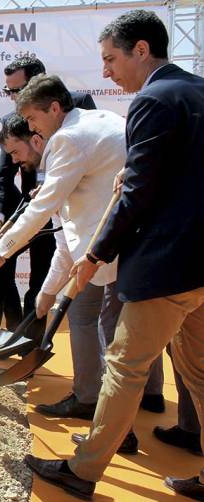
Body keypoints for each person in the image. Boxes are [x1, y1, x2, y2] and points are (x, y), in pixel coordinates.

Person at [24, 10, 204, 500]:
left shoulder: (152, 99)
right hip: (200, 266)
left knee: (124, 366)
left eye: (111, 59)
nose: (106, 72)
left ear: (141, 50)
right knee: (198, 371)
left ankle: (82, 471)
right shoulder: (199, 90)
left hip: (166, 265)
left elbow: (139, 192)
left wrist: (96, 254)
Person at [0, 74, 133, 423]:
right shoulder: (100, 119)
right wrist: (48, 292)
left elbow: (48, 212)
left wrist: (2, 250)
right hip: (126, 240)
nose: (33, 128)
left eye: (33, 119)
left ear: (54, 108)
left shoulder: (67, 140)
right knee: (120, 330)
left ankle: (100, 408)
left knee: (94, 323)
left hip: (109, 247)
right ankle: (146, 398)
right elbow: (66, 231)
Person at [0, 114, 164, 417]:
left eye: (15, 153)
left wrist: (7, 255)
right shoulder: (85, 141)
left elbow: (64, 246)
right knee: (134, 326)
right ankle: (151, 394)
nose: (14, 161)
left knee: (87, 316)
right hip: (135, 245)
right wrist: (47, 294)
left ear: (36, 140)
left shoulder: (65, 163)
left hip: (109, 250)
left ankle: (91, 399)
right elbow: (67, 240)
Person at [0, 56, 97, 344]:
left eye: (18, 90)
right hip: (38, 210)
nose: (13, 99)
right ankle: (30, 344)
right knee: (38, 281)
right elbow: (3, 174)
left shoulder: (77, 104)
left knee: (66, 283)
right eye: (8, 92)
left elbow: (91, 158)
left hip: (76, 210)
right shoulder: (12, 122)